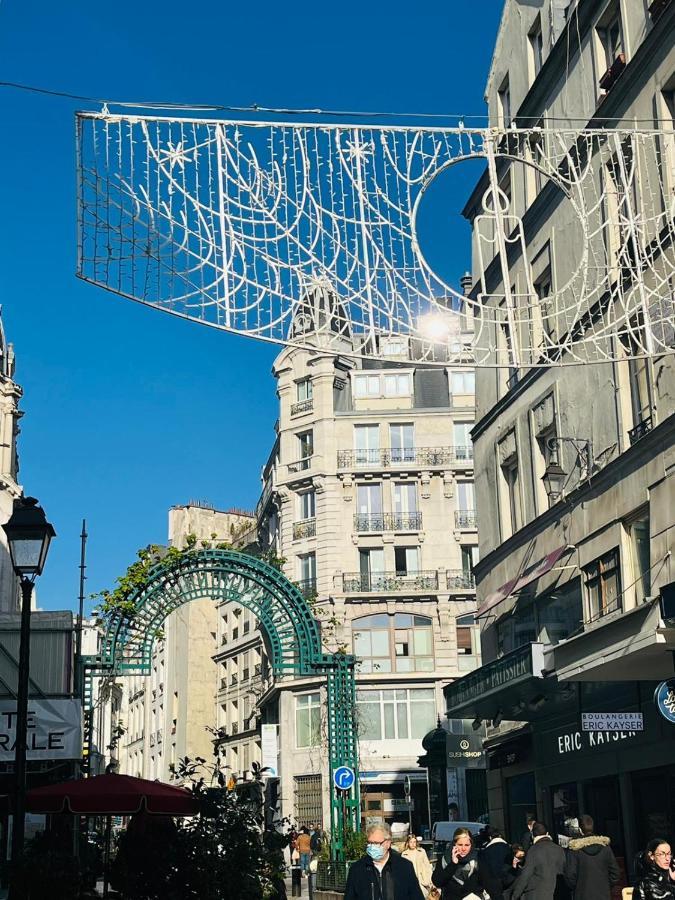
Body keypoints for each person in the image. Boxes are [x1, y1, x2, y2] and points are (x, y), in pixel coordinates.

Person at [344, 823, 424, 900]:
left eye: (376, 843)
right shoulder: (357, 869)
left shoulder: (404, 867)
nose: (372, 847)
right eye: (370, 843)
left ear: (388, 843)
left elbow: (416, 896)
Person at [564, 814, 620, 900]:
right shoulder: (605, 847)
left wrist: (579, 887)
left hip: (582, 895)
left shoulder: (575, 849)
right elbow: (615, 873)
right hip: (603, 895)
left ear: (579, 830)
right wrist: (605, 885)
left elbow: (570, 876)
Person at [432, 826, 491, 900]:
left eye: (467, 845)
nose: (463, 849)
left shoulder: (479, 858)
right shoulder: (445, 858)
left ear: (471, 845)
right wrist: (453, 864)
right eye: (460, 845)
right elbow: (437, 882)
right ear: (454, 844)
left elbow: (490, 884)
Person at [512, 822, 566, 900]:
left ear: (533, 835)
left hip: (537, 894)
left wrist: (515, 894)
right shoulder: (559, 849)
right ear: (547, 833)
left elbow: (526, 875)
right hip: (556, 893)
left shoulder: (533, 850)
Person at [480, 827, 513, 900]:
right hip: (509, 885)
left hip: (493, 887)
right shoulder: (509, 848)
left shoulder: (485, 851)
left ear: (490, 837)